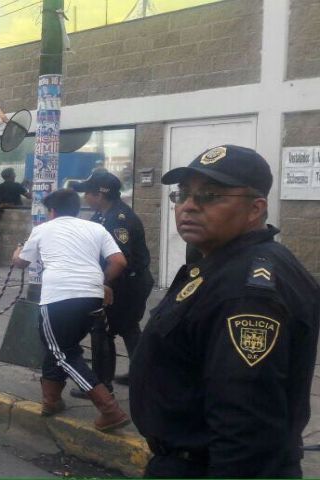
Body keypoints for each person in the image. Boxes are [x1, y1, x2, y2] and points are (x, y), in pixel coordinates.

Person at [129, 145, 320, 478]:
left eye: (210, 195)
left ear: (255, 209)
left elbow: (246, 429)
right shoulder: (220, 264)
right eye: (183, 195)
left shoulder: (247, 293)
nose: (188, 206)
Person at [12, 189, 130, 432]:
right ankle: (51, 401)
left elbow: (21, 262)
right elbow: (119, 262)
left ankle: (110, 410)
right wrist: (102, 283)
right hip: (92, 298)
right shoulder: (96, 228)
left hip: (58, 298)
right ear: (76, 209)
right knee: (61, 347)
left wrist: (16, 251)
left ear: (52, 211)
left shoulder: (43, 229)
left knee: (62, 351)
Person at [69, 170, 153, 399]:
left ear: (100, 194)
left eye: (88, 192)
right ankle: (141, 375)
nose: (85, 197)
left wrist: (101, 285)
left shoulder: (118, 219)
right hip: (124, 282)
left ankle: (102, 386)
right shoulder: (102, 215)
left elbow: (119, 262)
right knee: (127, 329)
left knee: (103, 331)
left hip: (125, 284)